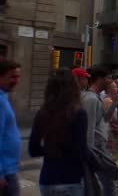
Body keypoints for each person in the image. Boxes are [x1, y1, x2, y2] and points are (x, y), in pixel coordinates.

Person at [29, 68, 88, 196]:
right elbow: (81, 150)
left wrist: (51, 149)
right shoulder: (78, 113)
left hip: (47, 180)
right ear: (73, 87)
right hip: (70, 179)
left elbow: (33, 149)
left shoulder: (42, 113)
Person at [82, 65, 116, 196]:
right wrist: (90, 157)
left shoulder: (95, 98)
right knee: (108, 183)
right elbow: (88, 129)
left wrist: (114, 103)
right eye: (108, 78)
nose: (111, 81)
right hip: (96, 148)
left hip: (98, 147)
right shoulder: (91, 99)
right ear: (100, 79)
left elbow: (105, 119)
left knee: (104, 184)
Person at [0, 61, 21, 196]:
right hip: (5, 173)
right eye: (12, 77)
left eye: (18, 77)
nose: (16, 81)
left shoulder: (4, 97)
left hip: (9, 170)